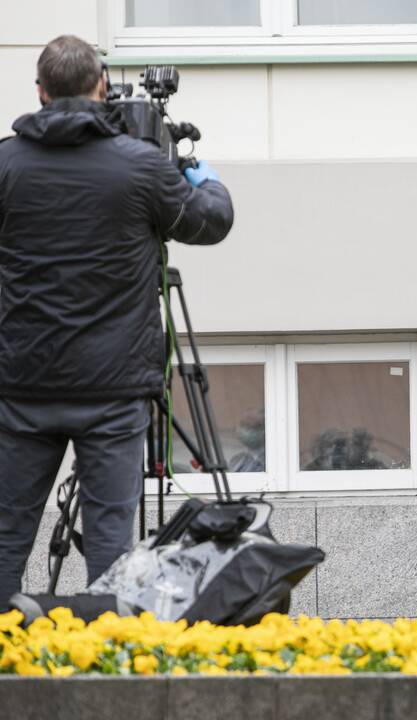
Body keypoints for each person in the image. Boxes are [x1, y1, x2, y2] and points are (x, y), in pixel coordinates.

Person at [0, 35, 233, 602]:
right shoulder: (140, 167)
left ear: (39, 92)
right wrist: (203, 174)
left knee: (6, 539)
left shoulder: (5, 163)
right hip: (113, 391)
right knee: (110, 552)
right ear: (100, 88)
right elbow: (212, 222)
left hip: (21, 384)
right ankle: (105, 674)